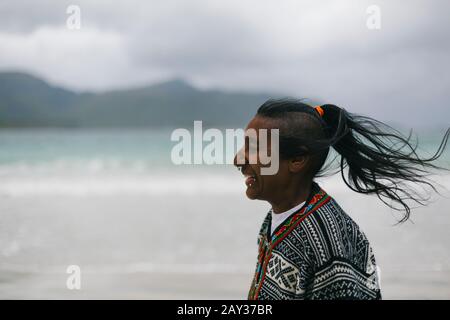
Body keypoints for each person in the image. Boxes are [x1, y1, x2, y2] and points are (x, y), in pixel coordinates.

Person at [234, 99, 449, 300]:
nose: (238, 159)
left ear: (297, 159)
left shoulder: (327, 243)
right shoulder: (275, 220)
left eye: (254, 148)